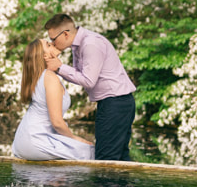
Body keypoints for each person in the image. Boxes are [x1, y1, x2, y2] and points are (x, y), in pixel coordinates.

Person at [43, 13, 136, 161]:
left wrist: (60, 67)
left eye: (53, 39)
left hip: (116, 102)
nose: (52, 43)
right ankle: (125, 185)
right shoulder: (78, 46)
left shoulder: (90, 44)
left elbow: (88, 80)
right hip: (113, 102)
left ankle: (105, 185)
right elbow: (80, 76)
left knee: (106, 157)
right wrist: (59, 69)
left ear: (65, 34)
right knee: (119, 157)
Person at [12, 39, 95, 161]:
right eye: (48, 45)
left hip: (22, 140)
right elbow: (57, 122)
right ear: (45, 56)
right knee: (89, 151)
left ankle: (54, 180)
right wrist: (75, 138)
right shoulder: (49, 78)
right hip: (35, 140)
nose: (53, 43)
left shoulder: (38, 76)